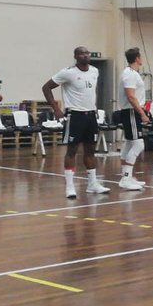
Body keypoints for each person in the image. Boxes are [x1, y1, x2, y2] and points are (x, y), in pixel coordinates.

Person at [42, 46, 110, 198]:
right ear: (75, 56)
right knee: (72, 150)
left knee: (90, 150)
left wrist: (94, 107)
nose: (85, 55)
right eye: (81, 53)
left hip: (90, 115)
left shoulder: (95, 71)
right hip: (74, 115)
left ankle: (92, 184)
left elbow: (91, 92)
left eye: (87, 53)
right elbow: (46, 88)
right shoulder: (68, 72)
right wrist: (56, 109)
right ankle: (70, 186)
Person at [114, 48, 148, 190]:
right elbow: (131, 96)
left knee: (128, 144)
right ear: (137, 58)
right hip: (131, 112)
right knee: (139, 145)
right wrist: (142, 113)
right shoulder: (129, 74)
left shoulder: (133, 73)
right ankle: (126, 178)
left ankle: (126, 176)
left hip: (132, 111)